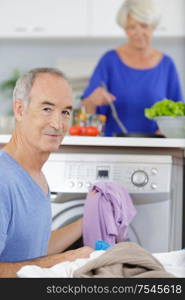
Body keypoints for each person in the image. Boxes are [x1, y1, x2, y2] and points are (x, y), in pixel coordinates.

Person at [0, 68, 93, 277]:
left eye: (65, 112)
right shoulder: (3, 179)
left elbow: (32, 249)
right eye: (46, 109)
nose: (57, 124)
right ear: (20, 109)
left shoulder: (36, 176)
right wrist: (62, 260)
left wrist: (87, 221)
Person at [82, 0, 183, 136]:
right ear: (124, 28)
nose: (138, 32)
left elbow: (179, 112)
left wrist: (168, 130)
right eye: (131, 27)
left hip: (157, 149)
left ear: (154, 26)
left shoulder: (167, 64)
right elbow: (87, 108)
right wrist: (92, 100)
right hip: (114, 148)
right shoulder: (109, 61)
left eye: (144, 25)